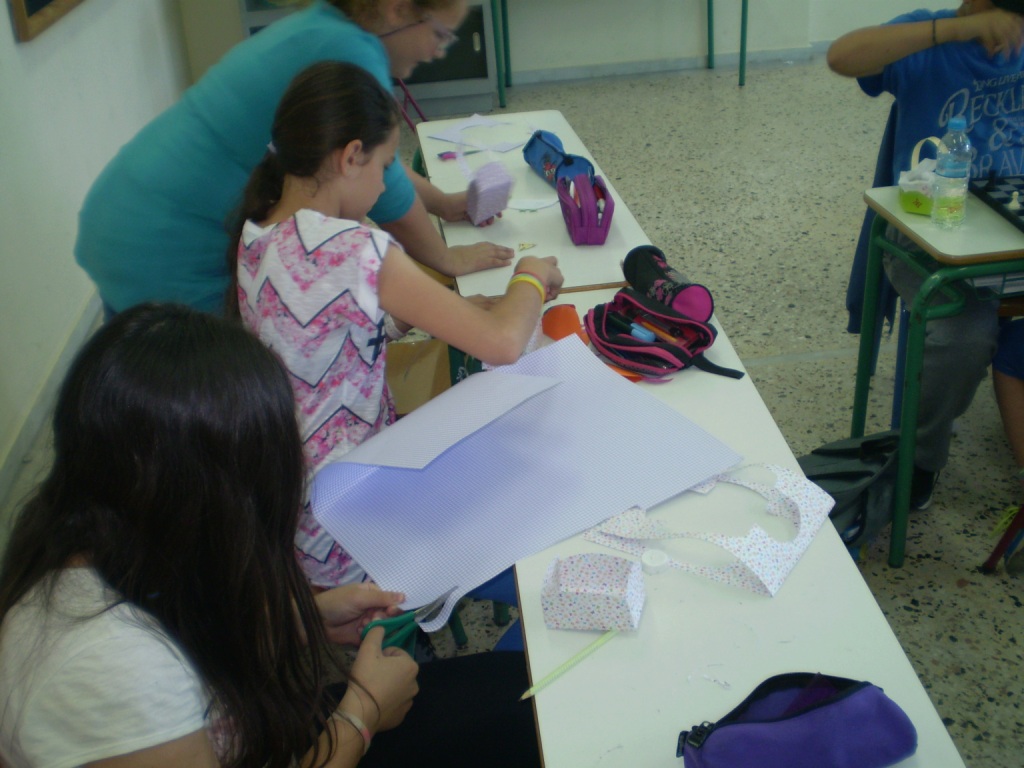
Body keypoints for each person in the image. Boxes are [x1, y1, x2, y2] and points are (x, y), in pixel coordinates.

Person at [0, 303, 540, 768]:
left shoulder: (107, 531)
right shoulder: (111, 670)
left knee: (518, 692)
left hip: (242, 737)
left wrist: (303, 620)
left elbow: (185, 629)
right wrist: (361, 715)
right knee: (521, 718)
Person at [230, 60, 562, 589]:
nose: (386, 184)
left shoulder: (260, 230)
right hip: (352, 526)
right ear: (350, 157)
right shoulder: (355, 247)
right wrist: (531, 276)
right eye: (385, 166)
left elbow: (324, 339)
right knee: (536, 489)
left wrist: (435, 309)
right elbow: (502, 344)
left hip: (292, 510)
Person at [75, 0, 513, 317]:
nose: (439, 52)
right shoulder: (352, 51)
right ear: (398, 9)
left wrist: (442, 203)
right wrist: (445, 259)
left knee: (130, 378)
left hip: (122, 216)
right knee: (211, 390)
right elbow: (387, 192)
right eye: (440, 34)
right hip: (168, 242)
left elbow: (373, 163)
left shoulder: (326, 23)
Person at [828, 0, 1024, 509]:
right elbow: (843, 56)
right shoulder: (926, 37)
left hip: (1011, 224)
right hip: (931, 230)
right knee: (962, 334)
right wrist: (954, 30)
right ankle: (918, 457)